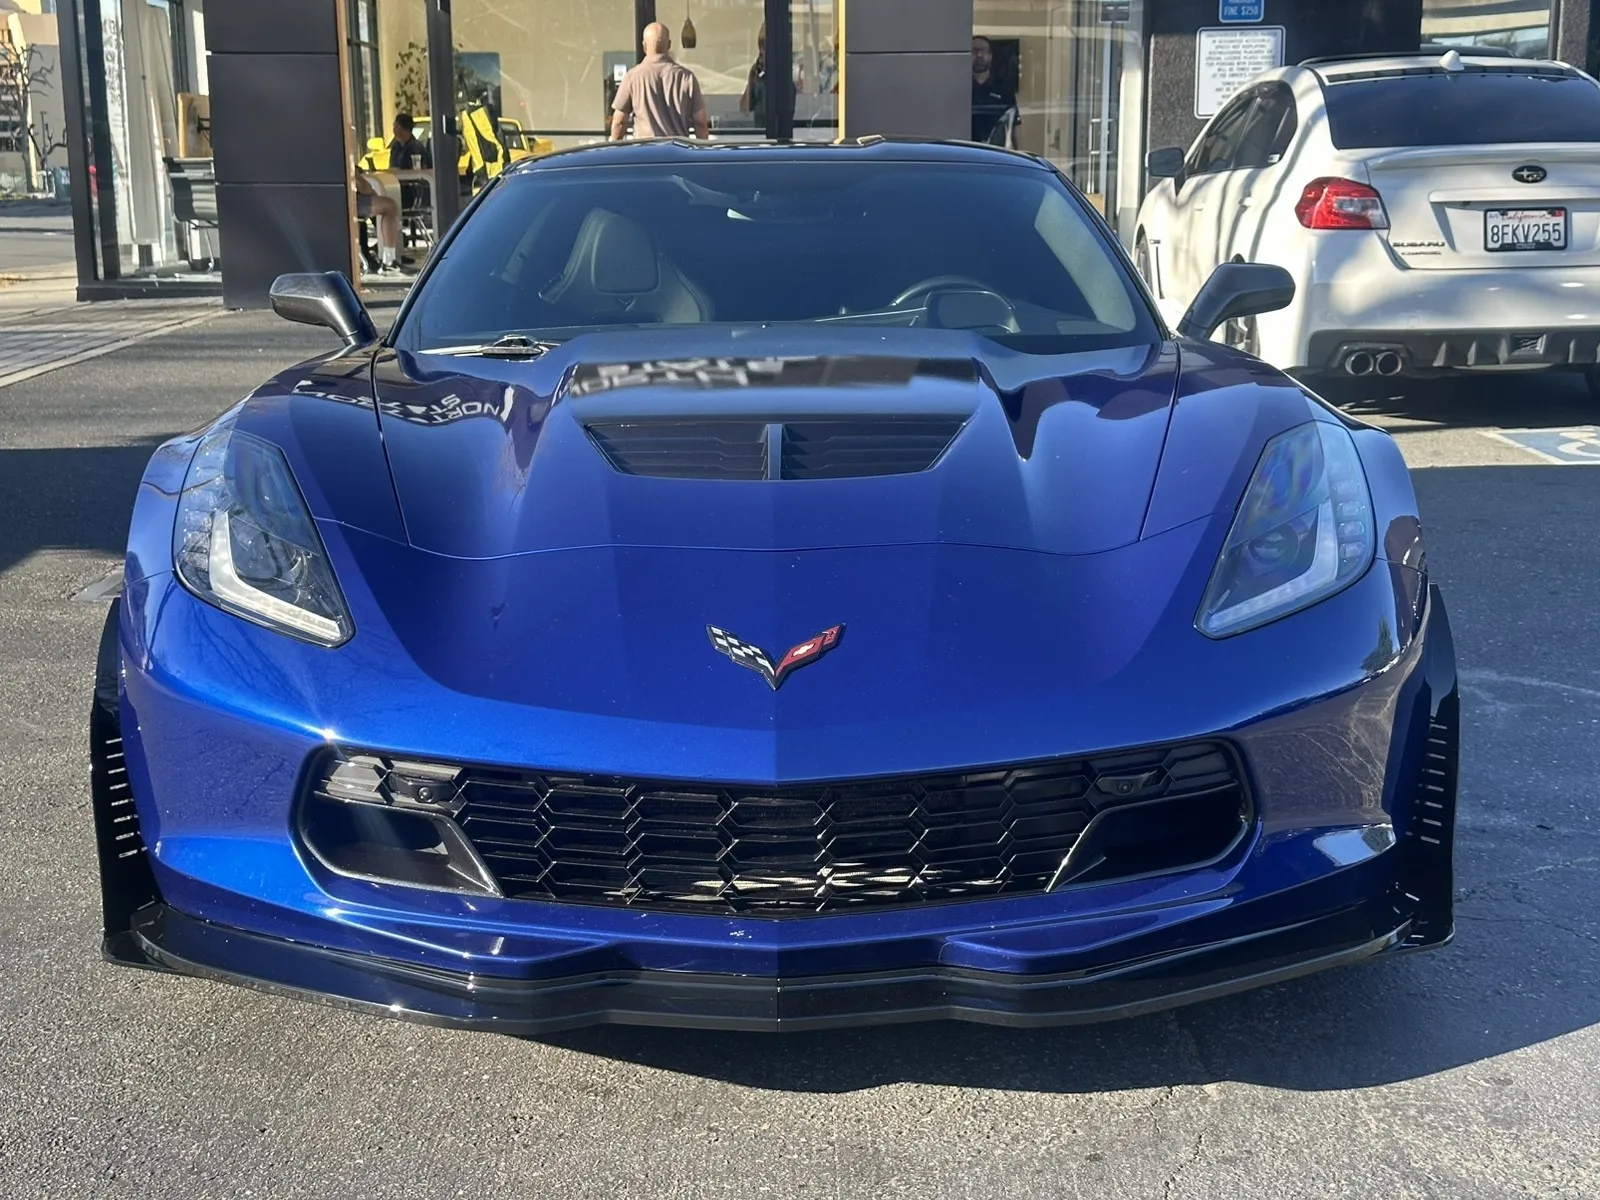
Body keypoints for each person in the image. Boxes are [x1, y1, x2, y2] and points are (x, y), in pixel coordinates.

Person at [609, 23, 710, 141]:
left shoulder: (632, 77)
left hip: (646, 153)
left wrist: (614, 149)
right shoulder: (686, 78)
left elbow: (619, 121)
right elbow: (700, 122)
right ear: (669, 45)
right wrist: (702, 151)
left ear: (644, 46)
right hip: (678, 152)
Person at [355, 173, 404, 275]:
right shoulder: (344, 160)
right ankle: (389, 261)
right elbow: (364, 188)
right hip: (349, 202)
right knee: (390, 206)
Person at [971, 36, 1017, 144]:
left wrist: (1020, 154)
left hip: (995, 153)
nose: (979, 55)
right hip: (965, 151)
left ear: (990, 56)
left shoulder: (1004, 89)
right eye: (974, 51)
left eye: (983, 51)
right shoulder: (959, 88)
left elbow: (1015, 127)